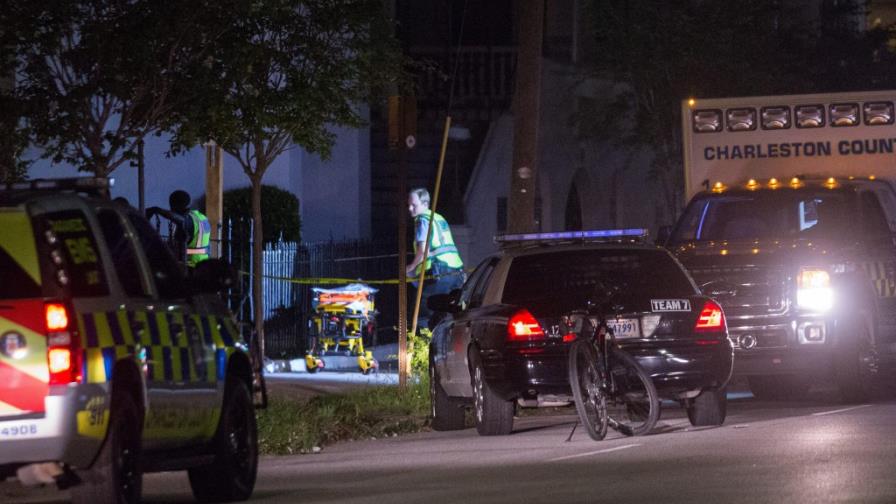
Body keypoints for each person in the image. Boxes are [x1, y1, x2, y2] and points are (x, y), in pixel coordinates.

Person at [406, 188, 464, 322]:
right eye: (409, 205)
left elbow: (423, 251)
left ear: (425, 204)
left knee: (424, 316)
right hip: (456, 273)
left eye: (414, 205)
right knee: (448, 316)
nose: (410, 208)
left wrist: (410, 268)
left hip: (437, 273)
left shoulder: (422, 220)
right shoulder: (438, 218)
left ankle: (423, 343)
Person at [146, 190, 211, 268]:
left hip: (190, 266)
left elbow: (179, 219)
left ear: (175, 206)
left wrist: (157, 210)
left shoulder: (188, 221)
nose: (171, 210)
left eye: (172, 208)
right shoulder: (201, 217)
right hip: (202, 264)